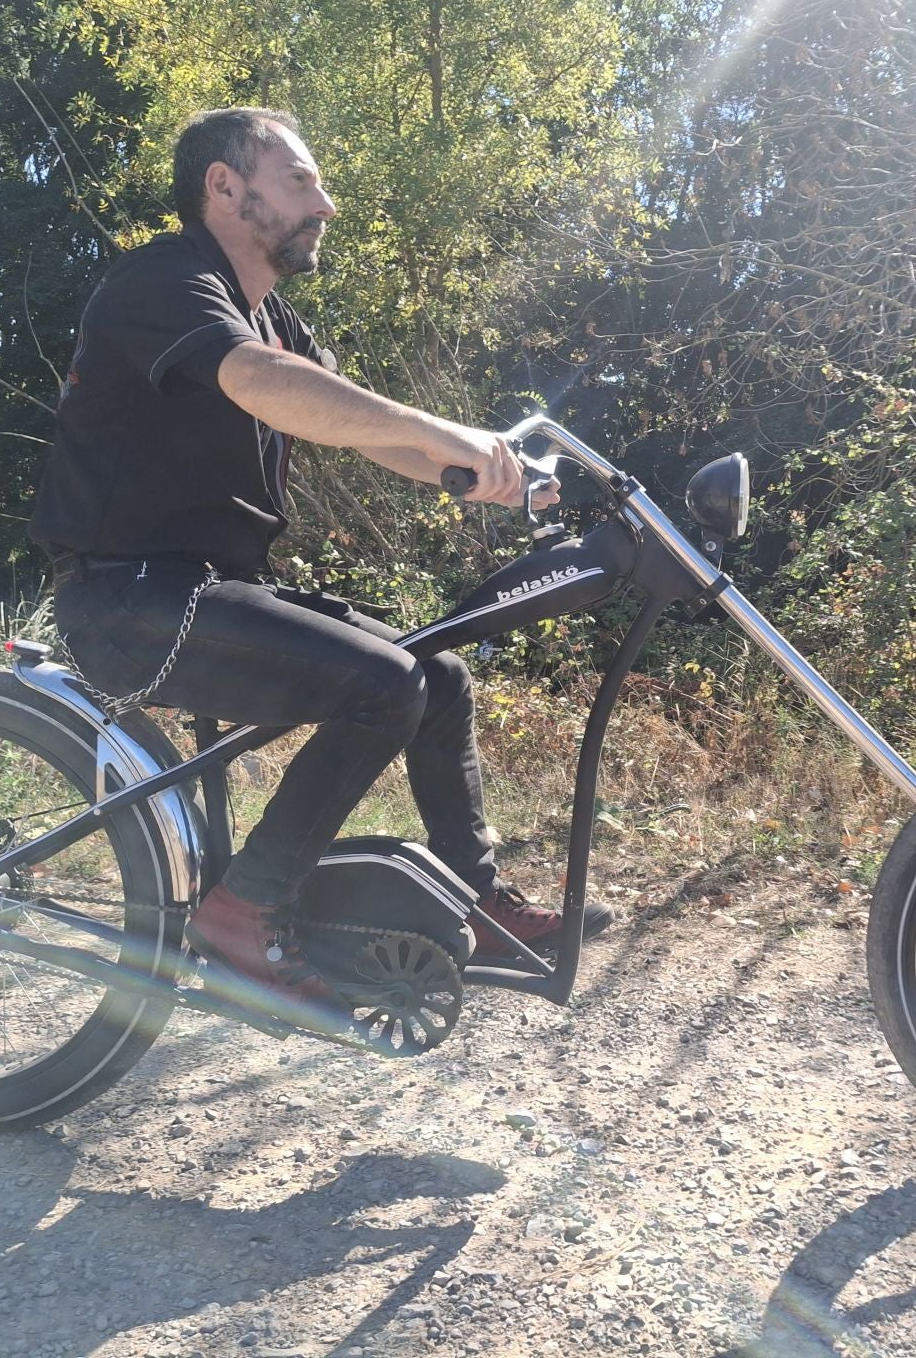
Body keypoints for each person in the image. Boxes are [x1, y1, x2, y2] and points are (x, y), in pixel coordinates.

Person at [30, 106, 610, 1007]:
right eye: (301, 180)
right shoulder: (167, 282)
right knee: (383, 684)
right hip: (130, 600)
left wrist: (490, 472)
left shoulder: (274, 320)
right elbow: (266, 387)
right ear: (226, 187)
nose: (327, 204)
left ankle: (479, 902)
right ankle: (240, 910)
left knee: (438, 675)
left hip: (210, 593)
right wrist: (447, 431)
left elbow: (359, 428)